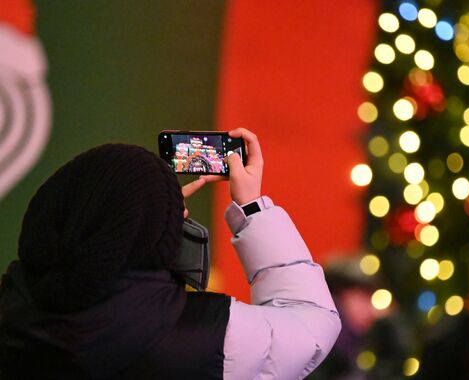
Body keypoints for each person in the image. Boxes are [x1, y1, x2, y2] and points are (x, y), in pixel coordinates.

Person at [0, 129, 341, 379]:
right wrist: (251, 207)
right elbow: (312, 324)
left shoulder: (12, 310)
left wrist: (148, 220)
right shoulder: (205, 336)